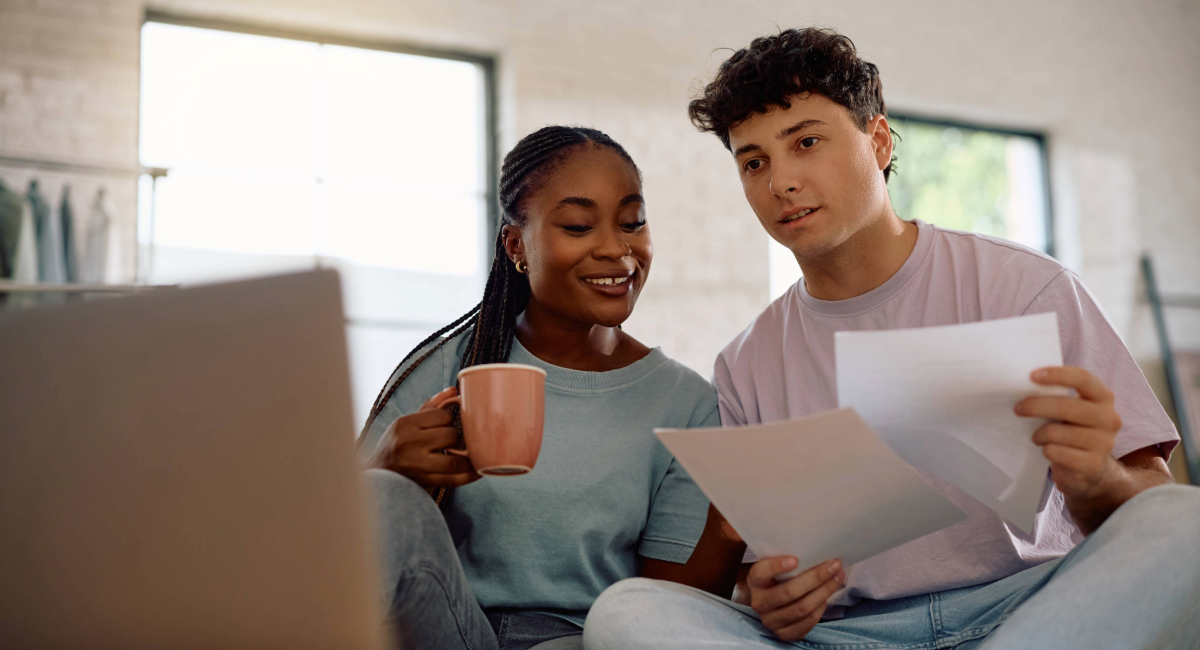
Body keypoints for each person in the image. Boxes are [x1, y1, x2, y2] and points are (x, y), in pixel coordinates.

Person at [583, 28, 1200, 649]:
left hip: (1031, 609)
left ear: (878, 141)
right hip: (855, 637)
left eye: (807, 142)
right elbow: (758, 580)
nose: (781, 182)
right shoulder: (745, 364)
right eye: (754, 161)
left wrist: (1099, 485)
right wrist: (772, 600)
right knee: (629, 613)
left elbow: (1153, 503)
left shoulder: (1028, 289)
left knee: (1189, 527)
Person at [357, 126, 744, 650]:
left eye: (633, 222)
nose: (616, 248)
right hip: (450, 631)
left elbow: (665, 615)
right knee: (379, 495)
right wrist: (387, 466)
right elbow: (324, 552)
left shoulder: (688, 405)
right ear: (517, 245)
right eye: (580, 226)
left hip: (584, 642)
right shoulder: (450, 366)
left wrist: (735, 524)